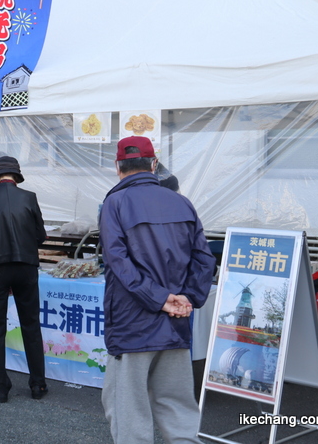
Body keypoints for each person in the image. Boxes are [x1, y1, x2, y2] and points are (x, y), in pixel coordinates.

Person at [99, 136, 216, 444]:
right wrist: (187, 298)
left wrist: (161, 299)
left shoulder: (115, 202)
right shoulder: (181, 201)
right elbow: (205, 259)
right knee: (178, 411)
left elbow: (118, 262)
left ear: (117, 167)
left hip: (132, 323)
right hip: (174, 323)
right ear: (153, 164)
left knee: (128, 413)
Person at [0, 156, 48, 403]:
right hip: (26, 267)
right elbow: (41, 236)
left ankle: (0, 388)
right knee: (31, 325)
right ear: (16, 177)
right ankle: (37, 384)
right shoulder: (29, 197)